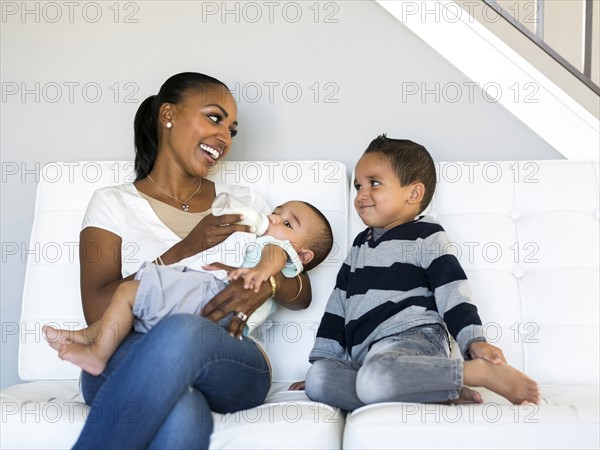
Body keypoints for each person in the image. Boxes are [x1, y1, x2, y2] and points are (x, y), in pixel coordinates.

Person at [64, 72, 318, 449]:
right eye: (215, 118)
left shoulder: (242, 201)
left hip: (230, 357)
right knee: (182, 409)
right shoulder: (112, 203)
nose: (225, 137)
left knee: (183, 331)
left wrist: (269, 283)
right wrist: (184, 248)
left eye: (233, 130)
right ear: (168, 115)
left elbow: (301, 292)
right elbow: (97, 310)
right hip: (128, 350)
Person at [299, 135, 541, 411]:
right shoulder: (359, 246)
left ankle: (477, 374)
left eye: (374, 183)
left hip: (413, 340)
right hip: (368, 358)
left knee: (374, 378)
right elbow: (337, 306)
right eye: (358, 186)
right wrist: (323, 359)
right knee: (317, 381)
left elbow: (453, 290)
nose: (361, 194)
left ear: (413, 193)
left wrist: (474, 340)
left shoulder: (427, 236)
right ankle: (433, 388)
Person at [44, 199, 333, 377]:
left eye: (286, 222)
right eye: (275, 212)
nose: (271, 219)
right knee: (136, 306)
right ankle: (91, 337)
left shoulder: (277, 248)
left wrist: (259, 277)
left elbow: (275, 257)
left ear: (303, 255)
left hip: (214, 296)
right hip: (213, 309)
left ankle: (96, 352)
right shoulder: (265, 238)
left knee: (129, 293)